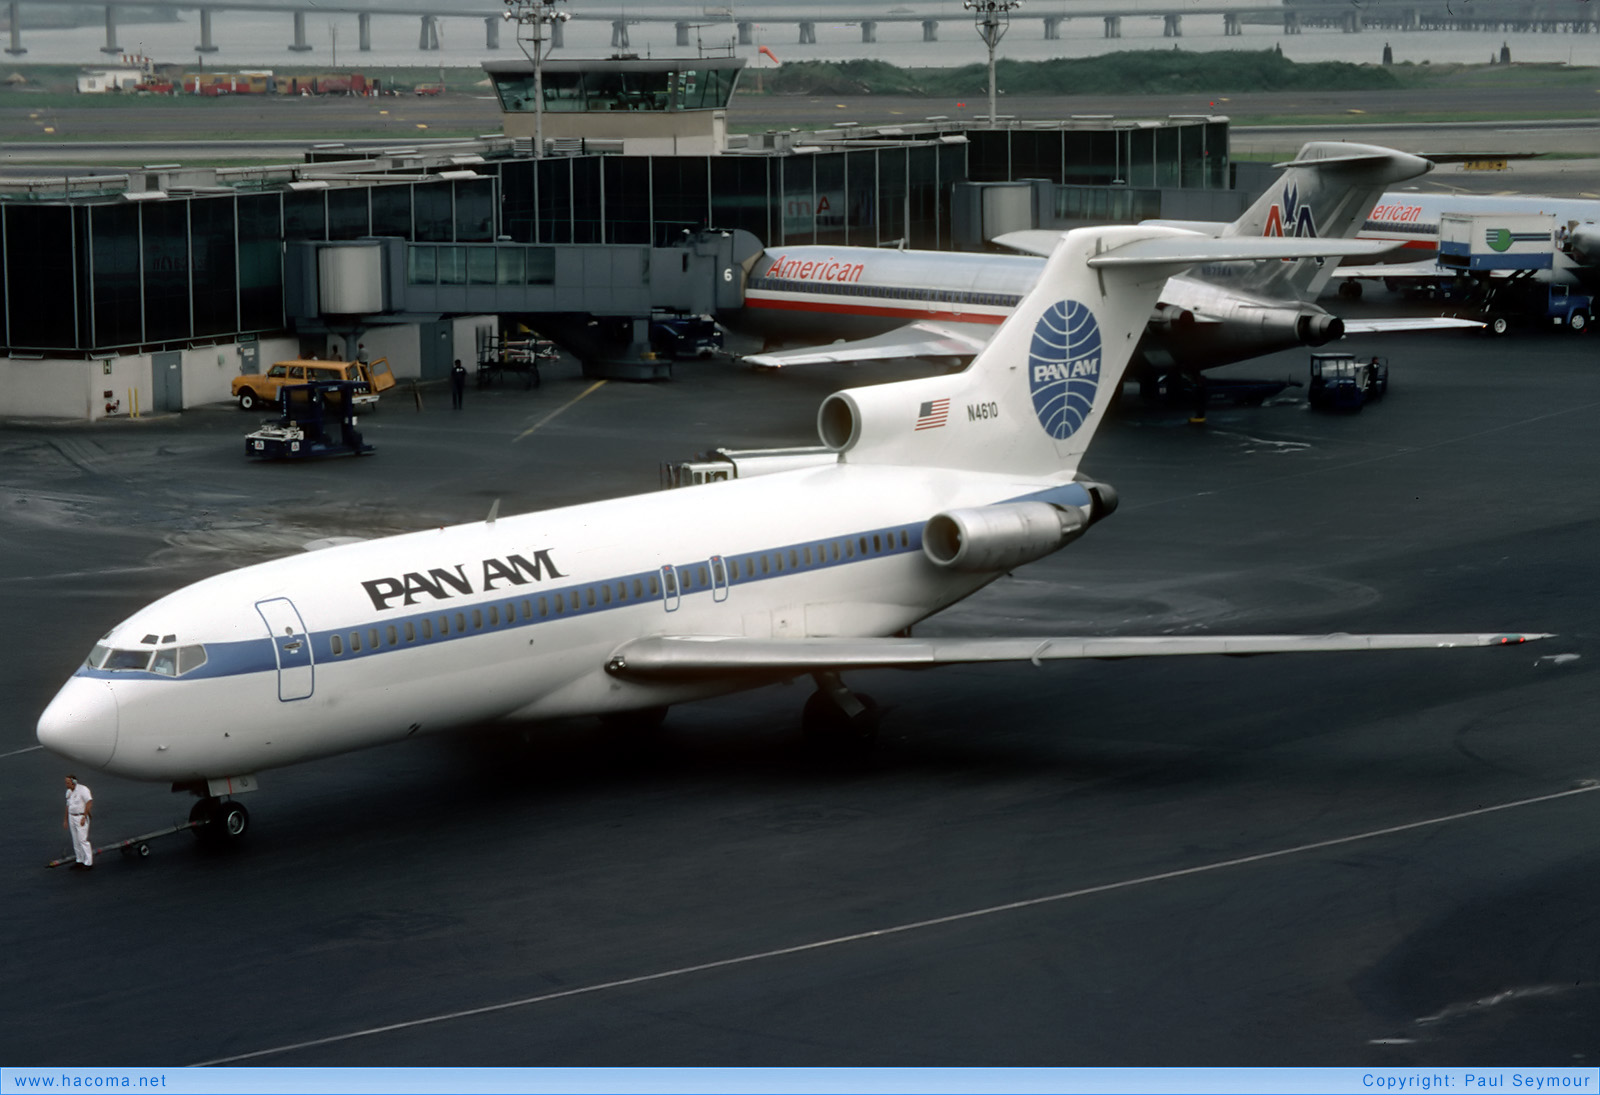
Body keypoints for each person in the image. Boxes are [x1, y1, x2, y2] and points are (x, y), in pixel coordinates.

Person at [63, 775, 93, 871]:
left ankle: (88, 862)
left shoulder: (82, 790)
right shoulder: (68, 792)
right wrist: (65, 820)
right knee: (75, 840)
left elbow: (89, 802)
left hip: (80, 816)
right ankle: (79, 860)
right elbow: (68, 806)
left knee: (82, 840)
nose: (66, 784)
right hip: (72, 817)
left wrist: (84, 816)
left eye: (68, 782)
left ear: (73, 782)